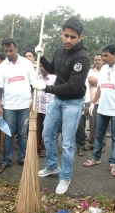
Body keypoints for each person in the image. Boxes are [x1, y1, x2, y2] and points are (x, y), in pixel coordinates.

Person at [34, 17, 91, 194]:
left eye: (73, 37)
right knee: (47, 134)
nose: (68, 40)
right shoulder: (60, 50)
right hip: (58, 100)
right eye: (66, 35)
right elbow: (53, 70)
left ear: (80, 37)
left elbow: (73, 86)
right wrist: (41, 57)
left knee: (67, 143)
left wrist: (46, 88)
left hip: (73, 103)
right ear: (61, 33)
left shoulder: (83, 57)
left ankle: (65, 176)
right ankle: (52, 165)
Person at [84, 44, 115, 177]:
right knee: (99, 135)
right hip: (102, 110)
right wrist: (93, 103)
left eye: (106, 55)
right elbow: (99, 88)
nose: (104, 58)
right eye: (103, 55)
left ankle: (113, 163)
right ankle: (96, 158)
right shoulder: (104, 69)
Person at [0, 38, 35, 174]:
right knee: (8, 134)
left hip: (24, 105)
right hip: (8, 106)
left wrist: (32, 101)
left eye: (10, 50)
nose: (8, 53)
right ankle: (6, 160)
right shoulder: (2, 67)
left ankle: (22, 158)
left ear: (16, 48)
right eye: (6, 51)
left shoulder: (27, 64)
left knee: (23, 134)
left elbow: (33, 84)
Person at [84, 53, 106, 153]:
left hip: (104, 101)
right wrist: (102, 82)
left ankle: (102, 145)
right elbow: (89, 80)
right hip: (93, 101)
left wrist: (97, 82)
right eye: (95, 60)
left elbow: (106, 83)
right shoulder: (90, 71)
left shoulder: (106, 70)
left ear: (102, 61)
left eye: (99, 60)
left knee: (102, 124)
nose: (97, 61)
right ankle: (92, 143)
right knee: (92, 124)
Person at [36, 63, 56, 157]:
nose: (42, 67)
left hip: (49, 108)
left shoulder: (53, 78)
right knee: (37, 129)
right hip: (38, 107)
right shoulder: (37, 78)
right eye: (40, 66)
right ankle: (35, 146)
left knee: (47, 130)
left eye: (43, 65)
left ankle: (44, 147)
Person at [75, 79, 90, 156]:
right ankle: (68, 146)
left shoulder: (83, 75)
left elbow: (87, 91)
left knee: (80, 127)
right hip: (68, 105)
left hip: (80, 104)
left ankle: (81, 147)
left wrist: (87, 105)